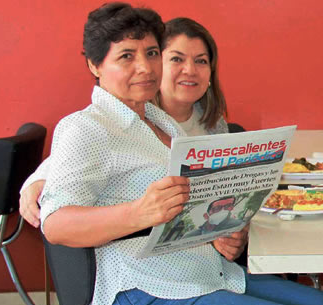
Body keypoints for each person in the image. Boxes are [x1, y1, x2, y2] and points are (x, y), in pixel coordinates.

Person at [38, 3, 323, 305]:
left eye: (152, 52)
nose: (144, 67)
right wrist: (139, 212)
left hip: (192, 278)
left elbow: (180, 210)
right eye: (126, 56)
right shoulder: (85, 129)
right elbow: (57, 224)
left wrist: (216, 232)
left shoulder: (156, 121)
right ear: (94, 65)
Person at [19, 16, 230, 228]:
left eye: (201, 60)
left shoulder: (213, 122)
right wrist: (36, 182)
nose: (190, 70)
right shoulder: (128, 115)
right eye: (176, 59)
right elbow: (68, 162)